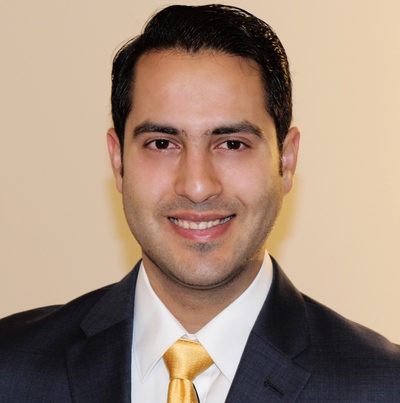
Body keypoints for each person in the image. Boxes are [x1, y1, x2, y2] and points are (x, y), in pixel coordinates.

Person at [1, 4, 399, 402]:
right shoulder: (10, 368)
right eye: (162, 143)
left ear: (287, 161)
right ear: (118, 161)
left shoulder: (384, 386)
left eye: (232, 144)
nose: (196, 186)